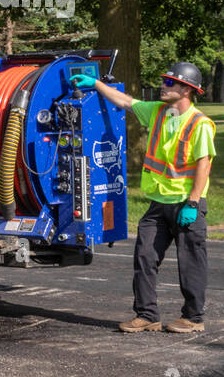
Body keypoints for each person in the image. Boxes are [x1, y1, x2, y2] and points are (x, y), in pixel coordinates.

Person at [71, 62, 216, 333]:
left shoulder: (200, 123)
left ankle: (193, 318)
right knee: (144, 256)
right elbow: (125, 101)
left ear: (187, 90)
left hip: (186, 204)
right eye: (164, 80)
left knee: (191, 263)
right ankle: (147, 314)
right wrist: (96, 85)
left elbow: (203, 165)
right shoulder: (158, 113)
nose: (163, 85)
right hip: (158, 203)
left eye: (170, 82)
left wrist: (194, 203)